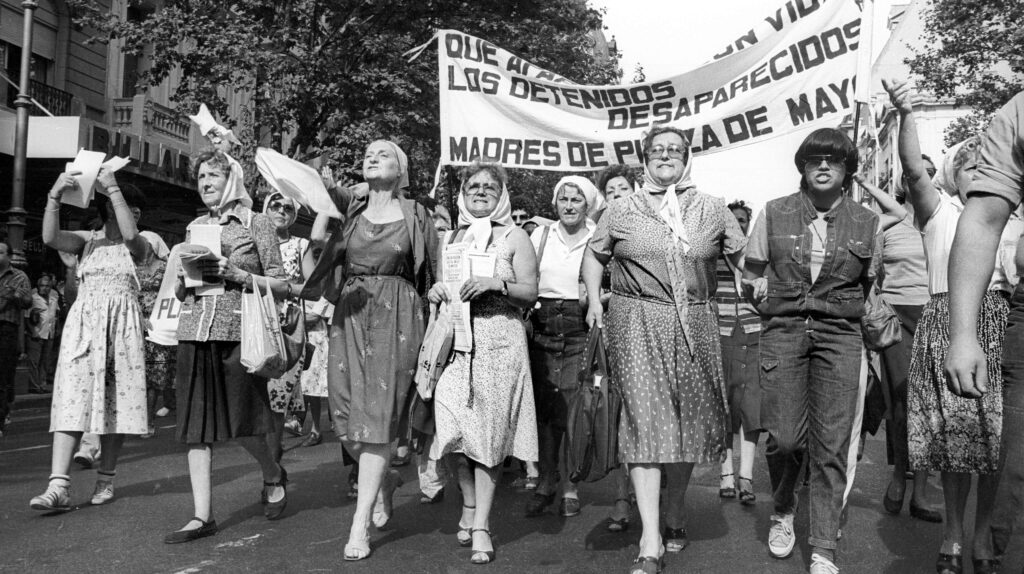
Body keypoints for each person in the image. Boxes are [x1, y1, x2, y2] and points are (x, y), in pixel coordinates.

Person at [582, 126, 746, 573]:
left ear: (687, 157)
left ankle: (676, 508)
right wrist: (595, 301)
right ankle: (650, 537)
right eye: (657, 150)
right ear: (644, 158)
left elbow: (743, 260)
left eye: (675, 149)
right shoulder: (621, 209)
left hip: (695, 323)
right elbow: (594, 255)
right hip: (635, 322)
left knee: (686, 421)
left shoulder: (713, 208)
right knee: (644, 422)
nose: (666, 155)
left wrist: (757, 282)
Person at [742, 127, 879, 574]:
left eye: (833, 160)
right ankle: (783, 510)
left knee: (832, 445)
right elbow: (751, 274)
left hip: (840, 336)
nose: (823, 166)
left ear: (846, 170)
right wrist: (755, 288)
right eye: (814, 159)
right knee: (785, 439)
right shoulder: (774, 212)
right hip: (783, 330)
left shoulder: (867, 221)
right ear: (802, 166)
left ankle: (823, 546)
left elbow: (870, 286)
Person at [303, 140, 439, 561]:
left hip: (398, 318)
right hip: (350, 313)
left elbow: (434, 274)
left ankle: (359, 525)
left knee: (378, 420)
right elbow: (319, 241)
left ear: (401, 170)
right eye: (368, 154)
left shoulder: (417, 214)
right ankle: (384, 480)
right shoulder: (352, 210)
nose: (372, 157)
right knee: (344, 417)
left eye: (384, 154)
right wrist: (327, 191)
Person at [165, 148, 292, 543]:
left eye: (213, 176)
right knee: (195, 429)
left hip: (238, 333)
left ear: (231, 180)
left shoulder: (256, 223)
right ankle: (202, 515)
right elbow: (181, 290)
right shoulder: (194, 227)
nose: (205, 183)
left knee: (243, 424)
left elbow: (281, 283)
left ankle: (273, 474)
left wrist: (237, 273)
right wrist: (184, 280)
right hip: (195, 331)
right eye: (201, 177)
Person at [428, 160, 539, 565]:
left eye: (489, 187)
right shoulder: (450, 238)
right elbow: (444, 285)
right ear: (462, 193)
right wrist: (437, 291)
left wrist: (497, 284)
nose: (480, 192)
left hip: (499, 344)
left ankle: (481, 525)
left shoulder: (514, 236)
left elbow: (530, 291)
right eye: (472, 186)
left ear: (502, 195)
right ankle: (470, 502)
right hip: (457, 344)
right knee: (451, 432)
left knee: (488, 438)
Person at [30, 168, 151, 511]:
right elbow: (51, 237)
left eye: (137, 207)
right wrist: (55, 195)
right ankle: (58, 486)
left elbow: (131, 236)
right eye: (129, 205)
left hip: (121, 330)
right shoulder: (86, 240)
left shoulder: (142, 242)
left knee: (117, 404)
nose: (135, 211)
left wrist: (113, 188)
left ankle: (106, 478)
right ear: (107, 208)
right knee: (72, 400)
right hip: (83, 328)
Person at [944, 90, 1024, 574]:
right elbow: (983, 221)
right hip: (1010, 321)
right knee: (1012, 472)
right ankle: (975, 544)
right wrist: (963, 334)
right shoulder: (1019, 111)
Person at [524, 176, 604, 519]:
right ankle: (546, 481)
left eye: (576, 200)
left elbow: (609, 283)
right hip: (542, 325)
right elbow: (524, 276)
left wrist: (597, 299)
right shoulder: (540, 235)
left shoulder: (598, 237)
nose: (569, 206)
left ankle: (570, 485)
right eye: (563, 199)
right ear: (555, 202)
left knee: (573, 409)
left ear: (588, 205)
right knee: (544, 409)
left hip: (578, 326)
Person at [875, 155, 942, 523]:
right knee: (904, 401)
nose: (922, 177)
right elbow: (870, 274)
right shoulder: (889, 221)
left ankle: (921, 491)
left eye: (930, 172)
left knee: (930, 404)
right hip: (897, 317)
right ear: (903, 182)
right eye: (916, 172)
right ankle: (900, 473)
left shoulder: (944, 219)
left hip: (936, 314)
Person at [590, 164, 638, 532]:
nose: (617, 195)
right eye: (611, 191)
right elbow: (585, 289)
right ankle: (622, 497)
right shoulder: (599, 233)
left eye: (623, 188)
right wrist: (603, 298)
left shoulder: (650, 226)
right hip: (612, 332)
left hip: (649, 329)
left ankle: (655, 490)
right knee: (619, 413)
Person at [715, 200, 762, 504]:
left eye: (742, 220)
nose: (737, 224)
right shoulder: (712, 257)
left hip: (754, 333)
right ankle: (726, 473)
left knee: (751, 407)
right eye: (732, 220)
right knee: (724, 405)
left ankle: (746, 476)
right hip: (720, 333)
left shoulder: (757, 257)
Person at [263, 192, 316, 454]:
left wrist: (283, 289)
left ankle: (273, 461)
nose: (281, 211)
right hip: (257, 323)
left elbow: (313, 288)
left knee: (278, 398)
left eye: (288, 208)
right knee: (259, 401)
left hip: (288, 328)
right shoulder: (253, 242)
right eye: (275, 206)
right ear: (265, 210)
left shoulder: (300, 245)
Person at [0, 240, 31, 437]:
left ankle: (1, 418)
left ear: (9, 256)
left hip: (6, 328)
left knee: (3, 375)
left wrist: (14, 296)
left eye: (0, 252)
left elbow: (26, 301)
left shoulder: (19, 276)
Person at [25, 273, 59, 394]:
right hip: (37, 333)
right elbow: (26, 317)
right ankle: (34, 385)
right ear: (38, 286)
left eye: (47, 286)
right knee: (34, 361)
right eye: (42, 286)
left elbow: (56, 315)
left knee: (45, 361)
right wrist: (33, 331)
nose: (45, 288)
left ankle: (42, 384)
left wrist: (56, 329)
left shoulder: (54, 299)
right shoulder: (33, 299)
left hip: (49, 333)